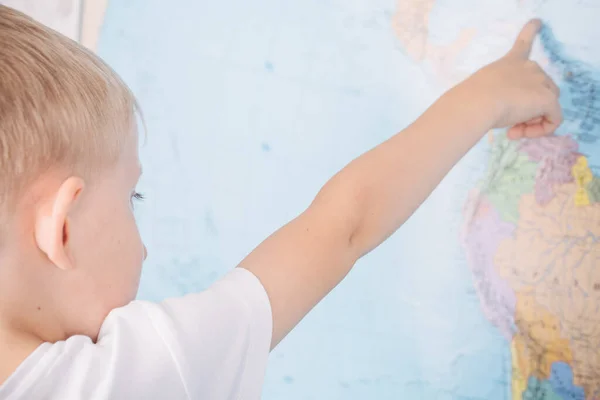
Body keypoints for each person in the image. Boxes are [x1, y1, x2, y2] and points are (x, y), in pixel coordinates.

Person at [0, 5, 560, 399]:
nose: (144, 246)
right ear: (64, 228)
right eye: (132, 197)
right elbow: (345, 225)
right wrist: (483, 100)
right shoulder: (133, 378)